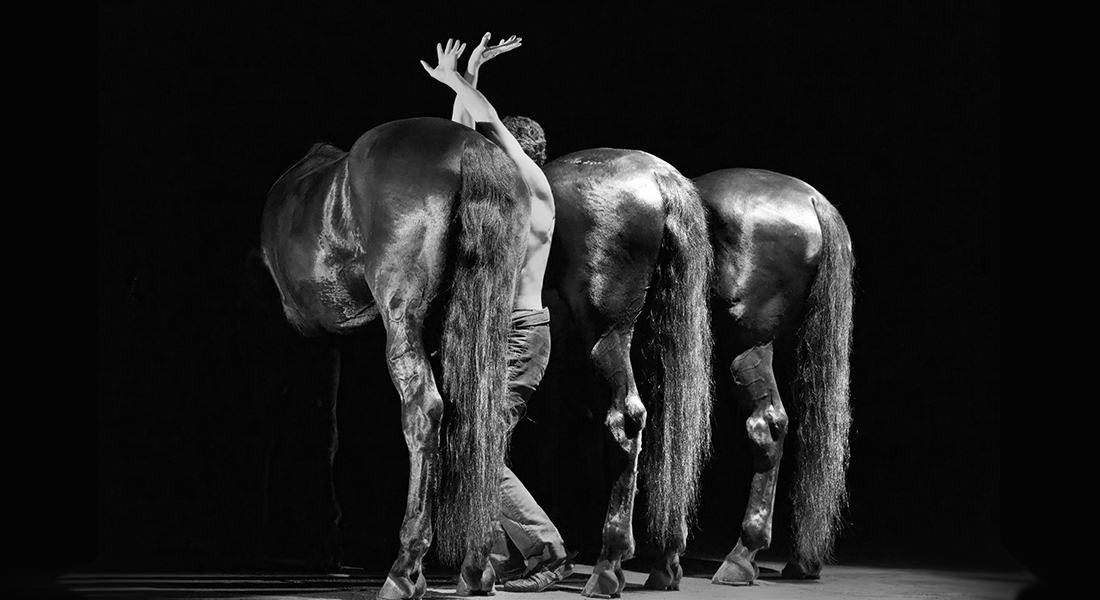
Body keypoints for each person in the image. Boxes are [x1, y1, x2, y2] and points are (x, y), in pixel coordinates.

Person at [422, 35, 573, 593]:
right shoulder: (504, 197)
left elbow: (486, 128)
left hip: (519, 336)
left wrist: (457, 80)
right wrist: (468, 81)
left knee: (480, 451)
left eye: (502, 151)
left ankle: (550, 554)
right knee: (467, 446)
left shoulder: (535, 190)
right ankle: (493, 559)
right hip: (496, 336)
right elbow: (467, 136)